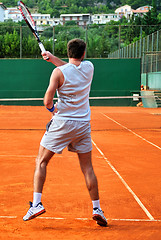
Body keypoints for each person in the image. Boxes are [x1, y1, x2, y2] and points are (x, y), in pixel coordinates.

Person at [23, 39, 107, 227]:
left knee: (41, 161)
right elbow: (72, 68)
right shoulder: (89, 68)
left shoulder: (58, 73)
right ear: (83, 54)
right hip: (83, 124)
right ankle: (97, 208)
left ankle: (36, 204)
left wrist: (54, 111)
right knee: (88, 168)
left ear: (68, 52)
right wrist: (53, 59)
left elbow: (47, 101)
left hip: (62, 123)